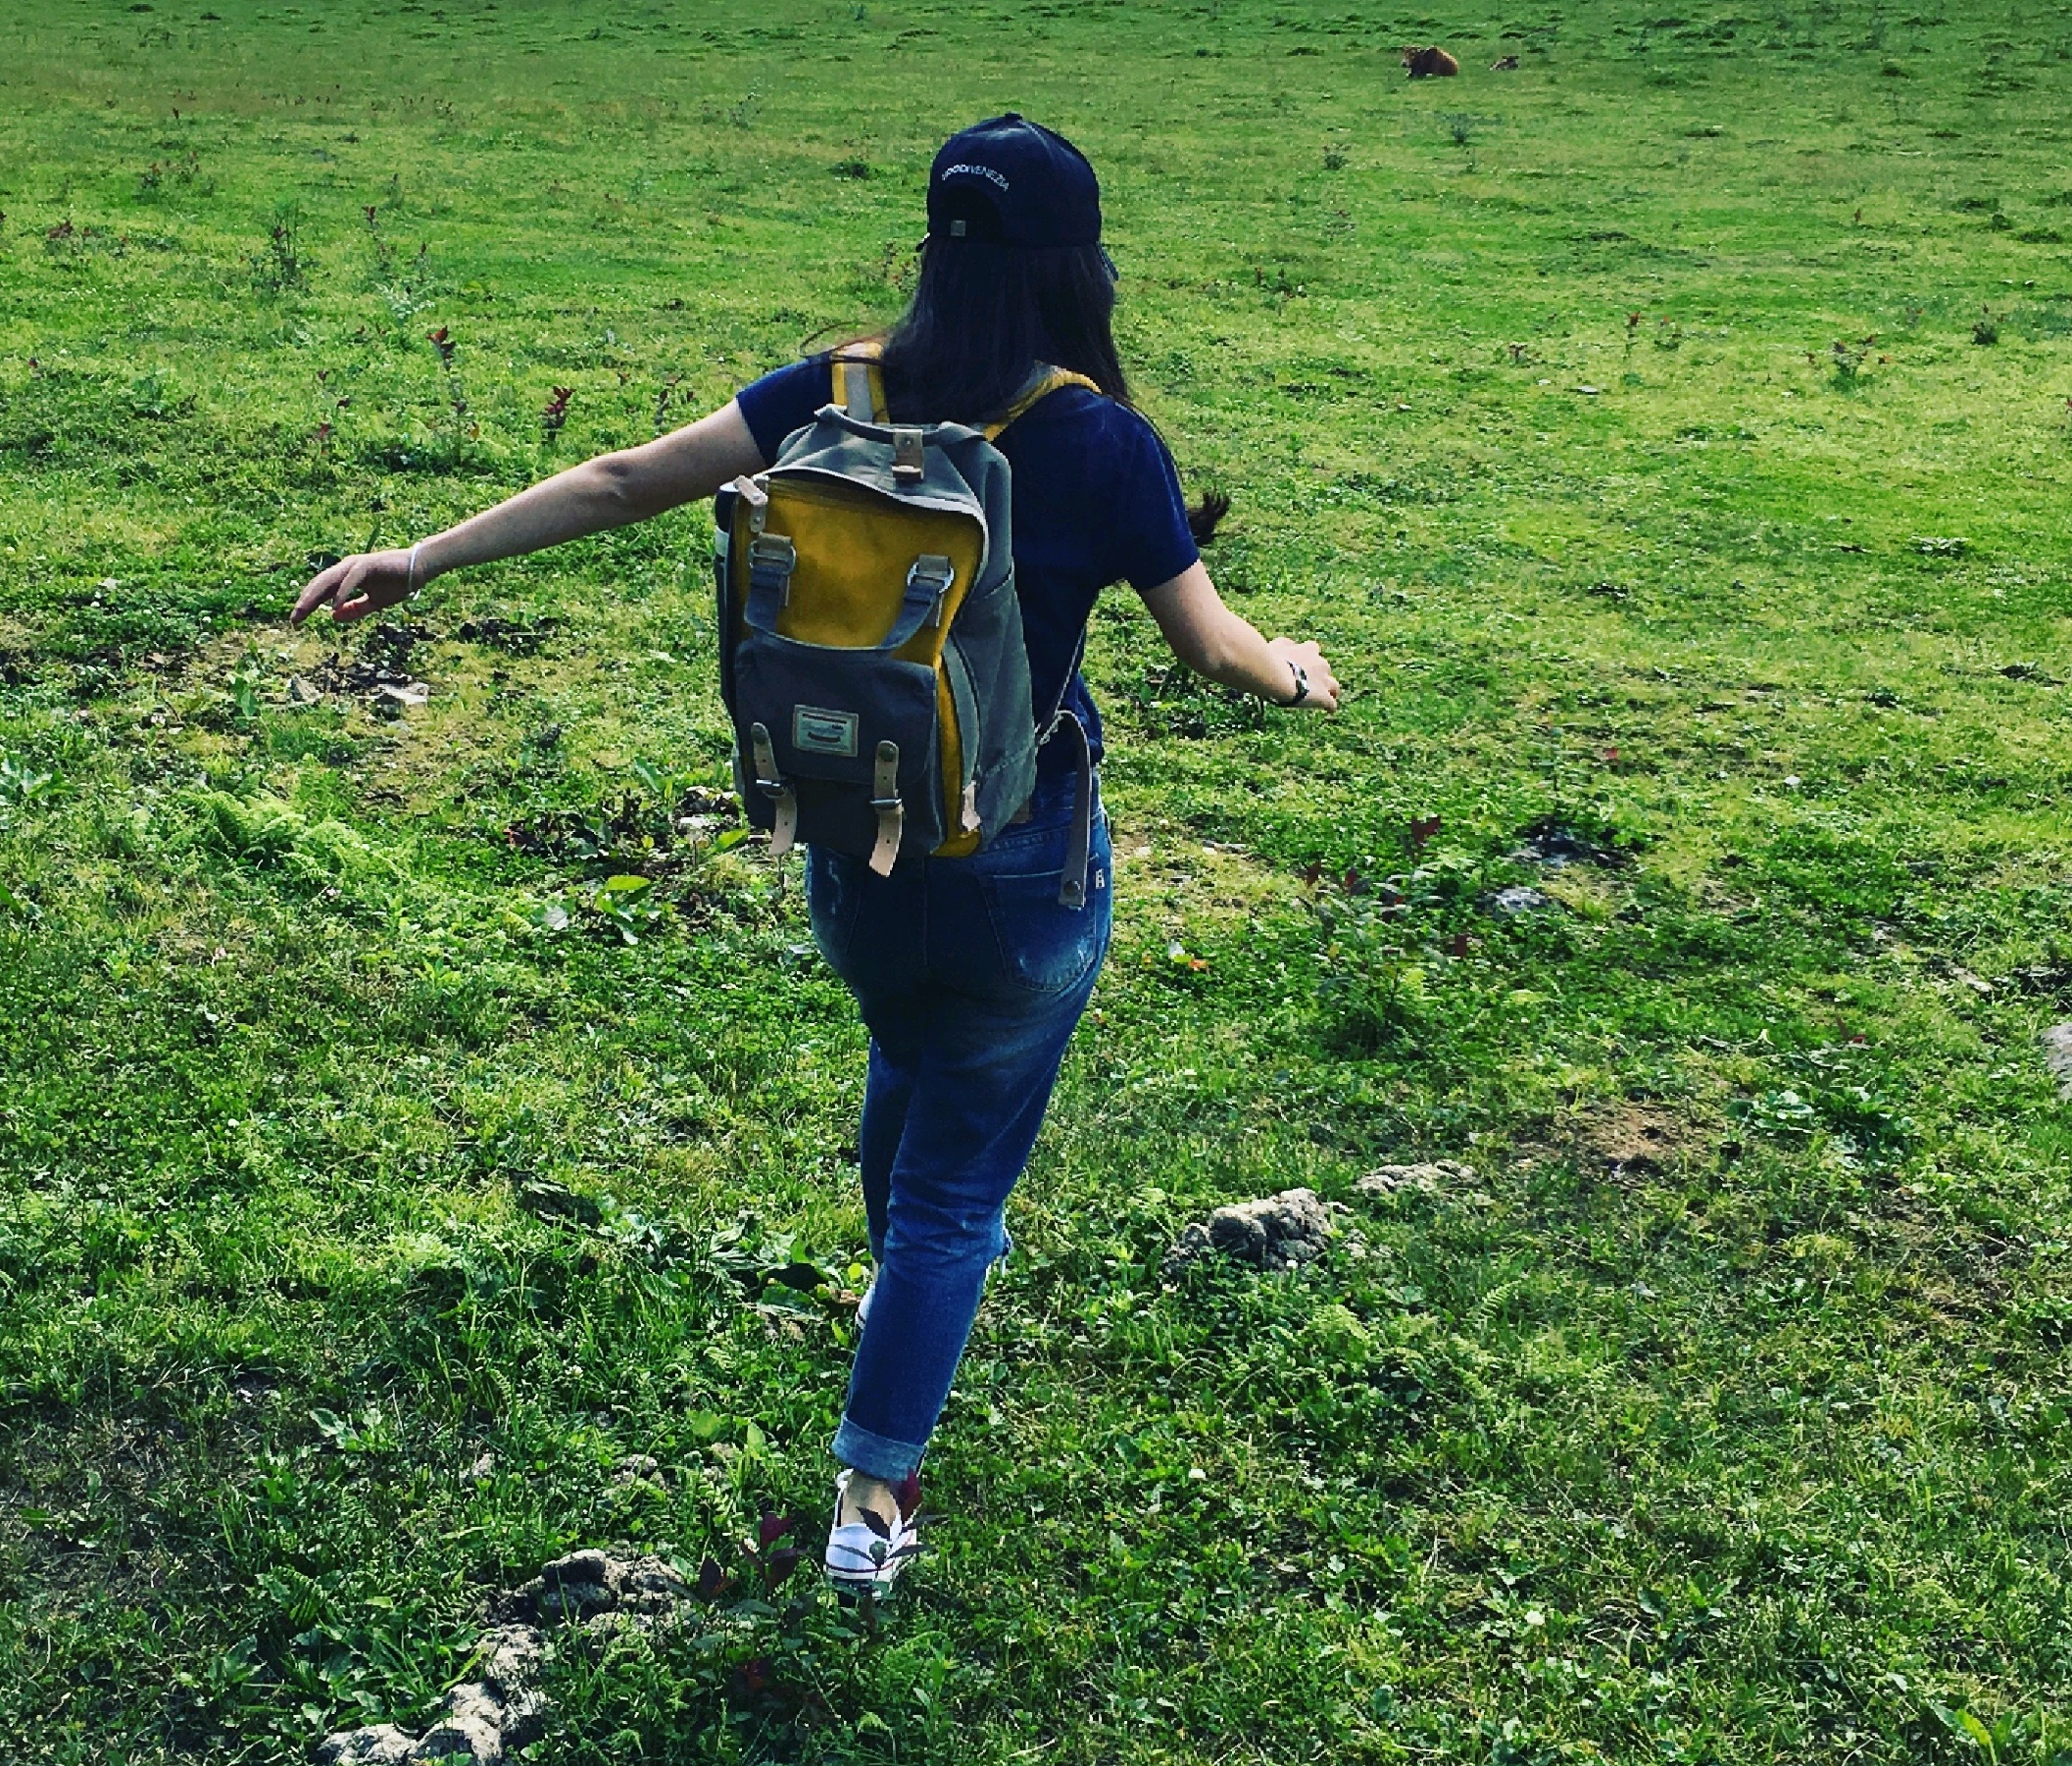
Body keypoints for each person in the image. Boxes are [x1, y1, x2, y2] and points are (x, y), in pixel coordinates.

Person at [293, 112, 1338, 1594]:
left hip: (857, 839)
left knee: (910, 1067)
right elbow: (1210, 648)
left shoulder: (833, 390)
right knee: (956, 1192)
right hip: (1021, 863)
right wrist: (1295, 669)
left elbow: (618, 477)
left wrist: (423, 555)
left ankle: (894, 1309)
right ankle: (873, 1499)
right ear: (1078, 270)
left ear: (933, 251)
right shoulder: (1097, 439)